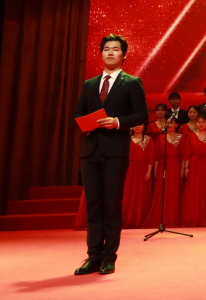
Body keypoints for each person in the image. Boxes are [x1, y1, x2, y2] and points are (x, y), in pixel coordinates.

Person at [73, 34, 148, 276]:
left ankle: (109, 256)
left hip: (115, 151)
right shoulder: (89, 84)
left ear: (124, 55)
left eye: (116, 49)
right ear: (101, 53)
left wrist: (117, 122)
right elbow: (78, 113)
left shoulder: (132, 82)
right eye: (106, 49)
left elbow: (141, 115)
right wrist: (86, 123)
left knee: (112, 204)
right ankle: (93, 255)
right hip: (90, 151)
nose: (111, 53)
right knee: (93, 205)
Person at [142, 116, 185, 229]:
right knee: (161, 191)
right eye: (167, 123)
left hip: (175, 165)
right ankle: (161, 218)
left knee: (174, 191)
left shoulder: (181, 137)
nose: (169, 125)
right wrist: (156, 171)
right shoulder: (161, 138)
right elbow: (156, 156)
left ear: (176, 125)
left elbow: (183, 155)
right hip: (162, 165)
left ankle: (173, 218)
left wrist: (183, 168)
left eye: (171, 123)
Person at [181, 116, 206, 227]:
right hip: (194, 165)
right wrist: (186, 168)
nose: (201, 124)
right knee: (194, 190)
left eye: (203, 122)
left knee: (205, 190)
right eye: (199, 122)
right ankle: (192, 218)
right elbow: (187, 153)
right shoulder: (191, 136)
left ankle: (205, 218)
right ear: (196, 124)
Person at [121, 124, 154, 229]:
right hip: (129, 170)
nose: (137, 127)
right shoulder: (127, 139)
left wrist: (149, 172)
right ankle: (127, 219)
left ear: (144, 127)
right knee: (128, 194)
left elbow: (151, 157)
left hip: (143, 170)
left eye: (140, 125)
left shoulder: (148, 139)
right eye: (135, 125)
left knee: (142, 195)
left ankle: (140, 219)